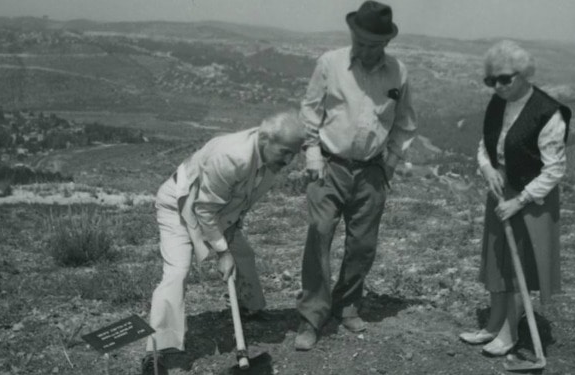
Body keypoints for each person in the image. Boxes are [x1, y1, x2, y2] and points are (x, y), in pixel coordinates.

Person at [141, 111, 306, 374]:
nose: (289, 160)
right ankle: (157, 351)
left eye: (294, 153)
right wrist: (221, 251)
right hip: (179, 207)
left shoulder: (270, 160)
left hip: (219, 213)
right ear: (265, 139)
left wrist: (231, 237)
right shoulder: (233, 156)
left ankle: (250, 307)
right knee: (177, 272)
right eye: (285, 151)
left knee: (244, 257)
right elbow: (202, 210)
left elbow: (238, 201)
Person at [294, 0, 417, 351]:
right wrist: (313, 153)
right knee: (319, 235)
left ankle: (346, 305)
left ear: (386, 43)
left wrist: (390, 163)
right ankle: (311, 316)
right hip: (329, 167)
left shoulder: (398, 73)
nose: (364, 50)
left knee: (363, 244)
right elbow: (310, 110)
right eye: (359, 42)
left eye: (372, 45)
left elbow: (405, 123)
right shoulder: (329, 64)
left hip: (372, 171)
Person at [459, 40, 571, 356]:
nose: (498, 86)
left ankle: (509, 334)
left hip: (532, 197)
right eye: (491, 80)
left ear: (524, 75)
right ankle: (494, 325)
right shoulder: (497, 103)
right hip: (501, 188)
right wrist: (487, 169)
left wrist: (519, 200)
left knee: (518, 264)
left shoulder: (548, 113)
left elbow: (554, 170)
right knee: (498, 262)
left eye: (505, 78)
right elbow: (485, 145)